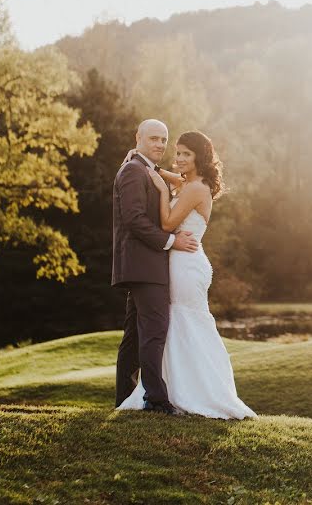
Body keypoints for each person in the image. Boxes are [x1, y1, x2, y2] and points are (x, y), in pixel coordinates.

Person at [116, 130, 256, 419]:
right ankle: (176, 389)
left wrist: (160, 185)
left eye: (185, 154)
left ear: (199, 158)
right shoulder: (192, 183)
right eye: (177, 152)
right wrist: (148, 166)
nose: (178, 158)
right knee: (178, 324)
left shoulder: (194, 189)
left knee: (183, 322)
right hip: (184, 261)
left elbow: (167, 223)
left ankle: (194, 392)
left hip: (185, 262)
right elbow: (175, 177)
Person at [112, 119, 199, 415]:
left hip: (144, 265)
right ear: (138, 137)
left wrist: (158, 171)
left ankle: (125, 398)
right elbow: (134, 220)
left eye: (163, 139)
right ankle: (156, 400)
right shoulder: (133, 172)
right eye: (153, 138)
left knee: (135, 336)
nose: (160, 144)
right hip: (144, 264)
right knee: (154, 331)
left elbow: (185, 184)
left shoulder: (143, 169)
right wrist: (172, 241)